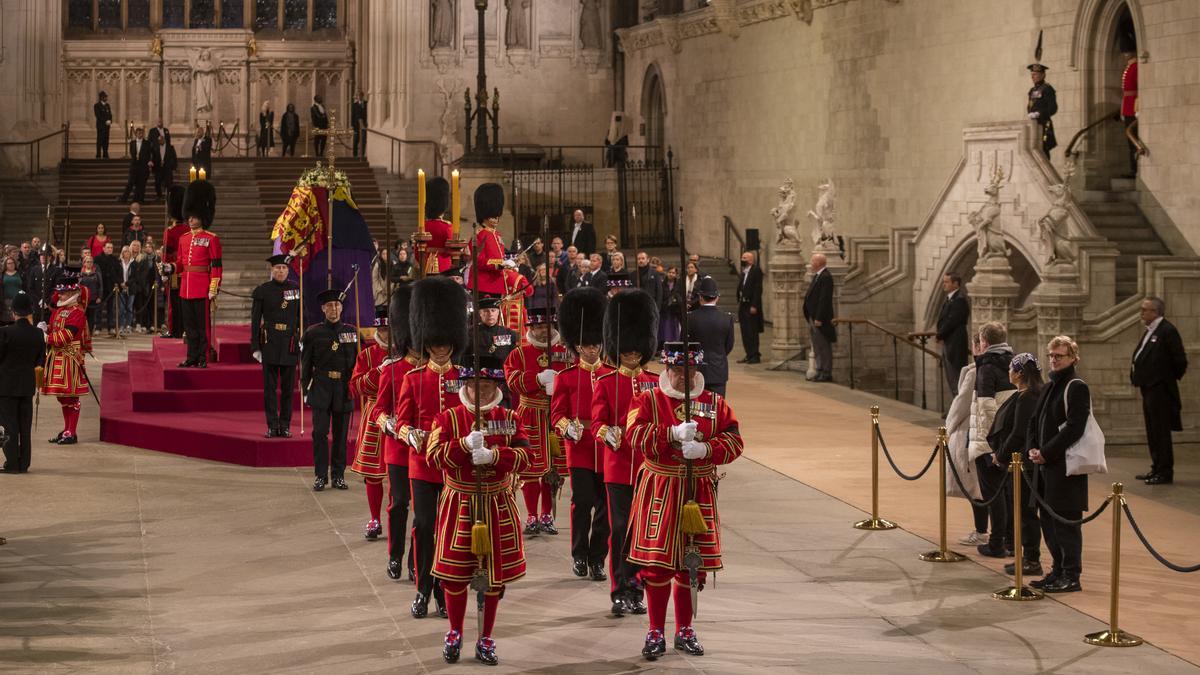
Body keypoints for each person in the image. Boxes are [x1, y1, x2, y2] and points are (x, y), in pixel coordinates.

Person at [626, 340, 743, 660]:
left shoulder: (715, 403)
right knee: (657, 565)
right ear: (667, 369)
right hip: (661, 489)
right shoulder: (648, 398)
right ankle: (654, 630)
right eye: (678, 371)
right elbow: (633, 436)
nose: (684, 378)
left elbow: (734, 441)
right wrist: (670, 435)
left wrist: (707, 450)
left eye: (690, 372)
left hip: (698, 491)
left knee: (691, 567)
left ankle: (685, 629)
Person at [427, 351, 530, 666]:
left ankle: (486, 636)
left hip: (497, 502)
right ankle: (455, 631)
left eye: (486, 385)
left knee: (494, 577)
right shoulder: (447, 417)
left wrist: (497, 457)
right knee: (454, 576)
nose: (480, 391)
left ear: (496, 386)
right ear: (465, 385)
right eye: (474, 385)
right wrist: (461, 447)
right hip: (459, 502)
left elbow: (527, 458)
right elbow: (432, 457)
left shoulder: (509, 418)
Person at [388, 276, 466, 618]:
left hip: (454, 467)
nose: (440, 348)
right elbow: (400, 421)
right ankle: (422, 587)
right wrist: (410, 435)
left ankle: (444, 589)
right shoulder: (412, 378)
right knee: (423, 525)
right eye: (434, 342)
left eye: (445, 341)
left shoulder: (465, 378)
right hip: (421, 465)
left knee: (451, 532)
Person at [593, 288, 659, 617]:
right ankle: (619, 587)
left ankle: (637, 586)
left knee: (642, 530)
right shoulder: (605, 382)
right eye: (627, 350)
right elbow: (596, 423)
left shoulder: (655, 382)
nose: (632, 354)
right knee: (620, 528)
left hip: (647, 469)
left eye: (637, 350)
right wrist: (610, 434)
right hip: (618, 467)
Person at [551, 287, 612, 581]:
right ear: (577, 346)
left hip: (607, 447)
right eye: (587, 345)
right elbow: (556, 415)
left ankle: (598, 557)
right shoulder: (566, 377)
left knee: (605, 506)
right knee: (583, 502)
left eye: (596, 344)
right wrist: (567, 428)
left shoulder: (610, 374)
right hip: (580, 447)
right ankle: (579, 553)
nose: (593, 349)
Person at [1026, 335, 1090, 594]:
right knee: (1048, 523)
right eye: (1051, 356)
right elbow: (1035, 420)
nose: (1053, 360)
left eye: (1059, 356)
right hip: (1044, 466)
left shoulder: (1076, 386)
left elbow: (1075, 428)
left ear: (1073, 358)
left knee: (1066, 524)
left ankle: (1072, 575)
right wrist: (1032, 448)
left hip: (1064, 469)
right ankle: (1057, 570)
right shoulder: (1050, 385)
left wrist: (1047, 452)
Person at [503, 305, 570, 535]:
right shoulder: (518, 353)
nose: (544, 331)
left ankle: (547, 514)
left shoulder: (566, 351)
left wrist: (561, 387)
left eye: (548, 326)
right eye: (539, 327)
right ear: (531, 327)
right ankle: (531, 514)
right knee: (530, 469)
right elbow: (512, 380)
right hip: (530, 414)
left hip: (557, 415)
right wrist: (537, 379)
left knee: (554, 469)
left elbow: (575, 379)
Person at [369, 284, 421, 581]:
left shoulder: (429, 370)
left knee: (424, 512)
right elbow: (377, 410)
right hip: (398, 449)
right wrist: (391, 426)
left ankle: (416, 559)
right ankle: (395, 555)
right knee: (400, 503)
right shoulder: (392, 370)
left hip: (425, 449)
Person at [992, 353, 1045, 578]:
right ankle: (1026, 557)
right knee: (1022, 513)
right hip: (1018, 463)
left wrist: (1001, 456)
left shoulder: (1028, 398)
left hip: (1023, 464)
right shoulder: (1025, 394)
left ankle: (1032, 560)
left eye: (1011, 369)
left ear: (1020, 373)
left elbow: (1018, 433)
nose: (1008, 373)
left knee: (1026, 513)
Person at [301, 288, 359, 492]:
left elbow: (358, 364)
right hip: (322, 387)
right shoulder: (313, 333)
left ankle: (338, 475)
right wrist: (305, 390)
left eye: (337, 305)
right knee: (319, 433)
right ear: (323, 309)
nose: (334, 309)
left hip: (343, 389)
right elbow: (306, 364)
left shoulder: (352, 332)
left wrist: (356, 386)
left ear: (341, 308)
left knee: (341, 435)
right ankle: (320, 475)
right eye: (330, 306)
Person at [968, 322, 1016, 558]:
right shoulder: (1013, 363)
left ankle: (997, 543)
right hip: (1008, 441)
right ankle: (1010, 541)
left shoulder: (987, 367)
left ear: (984, 342)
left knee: (994, 495)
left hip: (989, 443)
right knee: (1007, 493)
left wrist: (992, 443)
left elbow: (986, 407)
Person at [1130, 296, 1188, 485]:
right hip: (1148, 388)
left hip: (1160, 390)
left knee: (1161, 432)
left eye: (1145, 309)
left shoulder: (1167, 331)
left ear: (1155, 312)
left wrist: (1164, 379)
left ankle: (1165, 472)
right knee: (1152, 430)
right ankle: (1156, 467)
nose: (1142, 312)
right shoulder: (1151, 331)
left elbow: (1180, 361)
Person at [349, 308, 390, 539]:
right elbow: (356, 387)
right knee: (373, 473)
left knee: (398, 472)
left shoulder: (407, 353)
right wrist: (378, 372)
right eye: (382, 330)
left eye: (389, 329)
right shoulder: (366, 355)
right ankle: (375, 517)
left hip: (399, 412)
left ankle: (396, 514)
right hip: (374, 412)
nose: (386, 334)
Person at [250, 254, 301, 438]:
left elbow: (302, 319)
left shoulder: (296, 290)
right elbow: (255, 321)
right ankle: (272, 425)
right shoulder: (262, 290)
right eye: (277, 268)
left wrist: (303, 341)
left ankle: (285, 425)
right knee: (269, 389)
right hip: (269, 343)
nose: (281, 271)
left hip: (289, 343)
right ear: (272, 270)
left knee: (288, 390)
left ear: (288, 270)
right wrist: (255, 346)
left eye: (284, 268)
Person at [42, 267, 92, 446]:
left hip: (70, 357)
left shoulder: (77, 313)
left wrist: (48, 337)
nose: (59, 296)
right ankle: (67, 429)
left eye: (63, 293)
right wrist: (45, 329)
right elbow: (54, 328)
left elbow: (67, 335)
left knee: (71, 396)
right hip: (57, 356)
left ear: (72, 292)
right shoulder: (58, 310)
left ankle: (72, 431)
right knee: (62, 397)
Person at [175, 177, 221, 368]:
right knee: (190, 326)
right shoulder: (183, 238)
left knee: (202, 327)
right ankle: (191, 356)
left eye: (194, 216)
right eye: (189, 216)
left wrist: (213, 287)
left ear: (202, 217)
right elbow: (180, 263)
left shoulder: (211, 238)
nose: (190, 219)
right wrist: (169, 268)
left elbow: (217, 266)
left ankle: (203, 356)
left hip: (202, 287)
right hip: (185, 287)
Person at [0, 292, 44, 473]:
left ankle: (12, 464)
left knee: (9, 426)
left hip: (6, 386)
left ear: (13, 312)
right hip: (27, 386)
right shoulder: (38, 333)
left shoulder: (5, 332)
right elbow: (40, 361)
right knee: (25, 426)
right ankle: (24, 462)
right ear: (29, 312)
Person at [688, 276, 733, 397]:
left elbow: (685, 345)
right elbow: (728, 345)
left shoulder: (690, 318)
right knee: (717, 409)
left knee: (696, 410)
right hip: (718, 369)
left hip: (695, 370)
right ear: (717, 297)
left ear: (700, 297)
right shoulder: (726, 318)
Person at [935, 273, 970, 395]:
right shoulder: (951, 298)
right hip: (949, 342)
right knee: (951, 377)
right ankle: (955, 408)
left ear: (955, 283)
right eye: (943, 282)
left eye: (947, 282)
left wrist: (940, 335)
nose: (944, 284)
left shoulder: (959, 299)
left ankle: (959, 410)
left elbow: (952, 321)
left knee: (956, 377)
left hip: (955, 343)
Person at [161, 186, 189, 338]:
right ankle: (184, 329)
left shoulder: (170, 231)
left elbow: (166, 254)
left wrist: (164, 271)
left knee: (173, 303)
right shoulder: (188, 229)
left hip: (172, 270)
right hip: (187, 270)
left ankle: (174, 329)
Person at [802, 252, 836, 379]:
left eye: (812, 261)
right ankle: (819, 369)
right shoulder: (818, 276)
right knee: (816, 346)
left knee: (823, 345)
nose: (810, 264)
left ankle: (826, 372)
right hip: (812, 316)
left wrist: (819, 318)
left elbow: (824, 299)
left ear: (818, 263)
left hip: (819, 318)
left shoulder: (826, 277)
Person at [419, 177, 455, 275]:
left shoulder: (423, 226)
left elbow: (417, 253)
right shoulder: (447, 226)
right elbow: (451, 250)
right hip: (444, 264)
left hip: (426, 264)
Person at [736, 251, 765, 365]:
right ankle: (748, 354)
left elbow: (758, 289)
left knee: (752, 331)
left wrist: (754, 305)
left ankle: (755, 355)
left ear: (751, 260)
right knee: (745, 331)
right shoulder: (744, 272)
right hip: (743, 305)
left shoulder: (756, 270)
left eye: (745, 258)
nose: (742, 259)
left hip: (751, 306)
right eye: (742, 257)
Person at [1027, 62, 1058, 158]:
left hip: (1044, 124)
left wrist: (1039, 114)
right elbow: (1030, 106)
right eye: (1032, 74)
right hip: (1034, 124)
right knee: (1034, 149)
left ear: (1043, 75)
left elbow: (1053, 108)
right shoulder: (1032, 90)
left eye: (1035, 74)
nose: (1033, 77)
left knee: (1043, 149)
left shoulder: (1047, 89)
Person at [93, 241, 122, 337]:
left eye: (111, 248)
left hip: (111, 288)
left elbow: (119, 273)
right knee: (98, 309)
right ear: (103, 248)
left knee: (110, 309)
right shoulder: (97, 259)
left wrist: (118, 283)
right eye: (108, 247)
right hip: (100, 288)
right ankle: (97, 327)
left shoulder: (115, 260)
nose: (110, 249)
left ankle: (111, 327)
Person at [1120, 45, 1139, 177]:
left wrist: (1137, 107)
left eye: (1127, 51)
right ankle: (1133, 168)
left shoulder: (1136, 67)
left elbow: (1139, 88)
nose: (1125, 54)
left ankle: (1136, 169)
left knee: (1134, 138)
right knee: (1129, 140)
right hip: (1127, 106)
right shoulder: (1129, 67)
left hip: (1133, 107)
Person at [79, 256, 103, 332]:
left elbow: (100, 286)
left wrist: (99, 297)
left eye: (91, 262)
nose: (89, 263)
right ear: (84, 263)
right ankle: (83, 332)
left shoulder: (96, 273)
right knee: (83, 316)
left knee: (92, 316)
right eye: (88, 262)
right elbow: (77, 286)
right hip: (82, 298)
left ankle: (90, 332)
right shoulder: (80, 273)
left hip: (93, 298)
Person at [151, 131, 177, 200]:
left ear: (164, 140)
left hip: (167, 169)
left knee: (168, 183)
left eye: (161, 140)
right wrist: (153, 169)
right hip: (158, 169)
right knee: (157, 183)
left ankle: (168, 196)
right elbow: (153, 158)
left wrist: (173, 167)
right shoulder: (155, 148)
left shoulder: (170, 147)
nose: (160, 141)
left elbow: (174, 157)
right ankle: (159, 196)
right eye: (158, 140)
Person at [94, 91, 113, 159]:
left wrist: (110, 121)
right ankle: (98, 154)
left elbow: (110, 114)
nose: (106, 98)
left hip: (107, 126)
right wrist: (105, 121)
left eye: (106, 96)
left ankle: (105, 154)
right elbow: (98, 115)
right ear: (101, 97)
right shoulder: (97, 105)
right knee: (100, 140)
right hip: (101, 126)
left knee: (106, 140)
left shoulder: (107, 105)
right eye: (104, 97)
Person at [351, 91, 368, 157]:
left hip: (364, 124)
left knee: (363, 140)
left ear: (362, 96)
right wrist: (352, 125)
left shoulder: (366, 103)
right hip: (356, 125)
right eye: (358, 95)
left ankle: (362, 154)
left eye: (360, 95)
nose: (359, 97)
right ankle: (354, 155)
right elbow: (352, 116)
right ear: (356, 97)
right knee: (356, 140)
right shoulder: (354, 105)